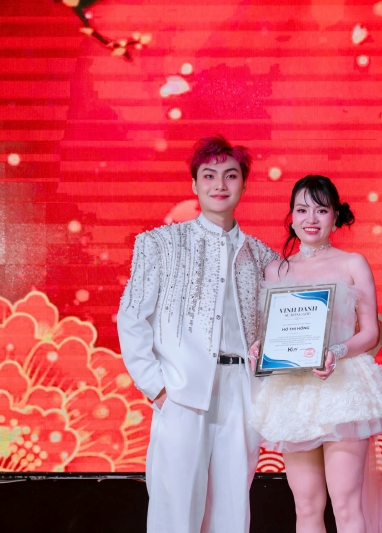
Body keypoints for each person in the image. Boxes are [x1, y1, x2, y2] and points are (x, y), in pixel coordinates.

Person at [117, 134, 279, 533]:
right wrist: (157, 388)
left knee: (232, 511)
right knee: (175, 508)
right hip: (180, 391)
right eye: (209, 175)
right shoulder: (161, 244)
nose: (220, 185)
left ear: (244, 184)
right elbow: (131, 318)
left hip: (241, 391)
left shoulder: (263, 256)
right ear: (194, 184)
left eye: (230, 175)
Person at [249, 175, 382, 533]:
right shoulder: (276, 270)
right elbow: (273, 333)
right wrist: (260, 347)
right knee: (306, 506)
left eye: (321, 210)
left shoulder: (353, 263)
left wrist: (336, 351)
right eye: (302, 210)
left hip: (342, 388)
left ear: (335, 216)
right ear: (291, 217)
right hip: (293, 392)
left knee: (346, 505)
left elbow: (371, 332)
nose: (311, 219)